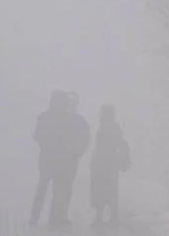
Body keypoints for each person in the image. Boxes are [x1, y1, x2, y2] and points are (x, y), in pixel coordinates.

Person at [48, 91, 91, 228]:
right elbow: (50, 138)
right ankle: (54, 216)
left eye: (74, 103)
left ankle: (62, 216)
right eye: (70, 102)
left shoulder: (80, 121)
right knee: (58, 187)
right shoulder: (58, 119)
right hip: (58, 160)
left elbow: (86, 139)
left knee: (66, 188)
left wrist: (77, 153)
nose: (72, 105)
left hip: (71, 161)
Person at [30, 90, 69, 226]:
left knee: (44, 188)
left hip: (48, 158)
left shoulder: (44, 117)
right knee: (55, 189)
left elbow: (38, 137)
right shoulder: (63, 119)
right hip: (56, 158)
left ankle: (36, 217)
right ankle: (52, 218)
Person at [91, 104, 128, 227]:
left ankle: (108, 217)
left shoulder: (109, 127)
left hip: (106, 165)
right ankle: (109, 217)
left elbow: (119, 144)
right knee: (108, 190)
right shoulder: (111, 127)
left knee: (104, 190)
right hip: (108, 165)